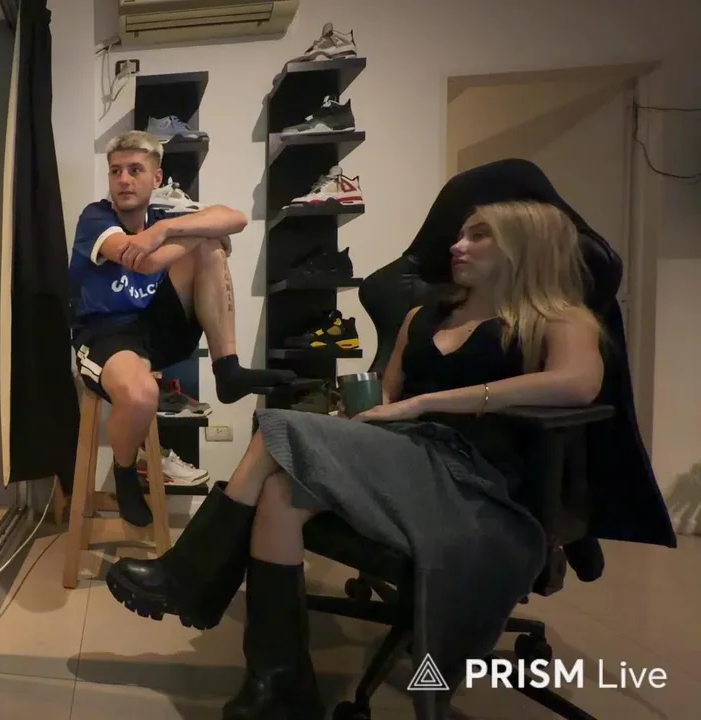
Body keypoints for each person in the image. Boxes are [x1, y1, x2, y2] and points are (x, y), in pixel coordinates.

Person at [105, 198, 606, 719]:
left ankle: (190, 579)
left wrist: (428, 403)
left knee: (278, 427)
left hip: (473, 482)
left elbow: (579, 383)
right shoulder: (421, 317)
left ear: (525, 246)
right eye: (461, 235)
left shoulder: (558, 318)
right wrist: (352, 420)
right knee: (280, 491)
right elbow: (388, 398)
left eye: (480, 236)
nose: (458, 246)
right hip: (403, 455)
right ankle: (280, 683)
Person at [70, 131, 294, 526]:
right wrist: (200, 232)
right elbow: (142, 263)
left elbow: (236, 218)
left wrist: (165, 231)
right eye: (116, 171)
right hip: (105, 334)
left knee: (210, 248)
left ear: (156, 178)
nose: (124, 180)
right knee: (141, 397)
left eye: (135, 170)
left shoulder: (163, 217)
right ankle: (126, 471)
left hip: (158, 327)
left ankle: (227, 369)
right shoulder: (96, 218)